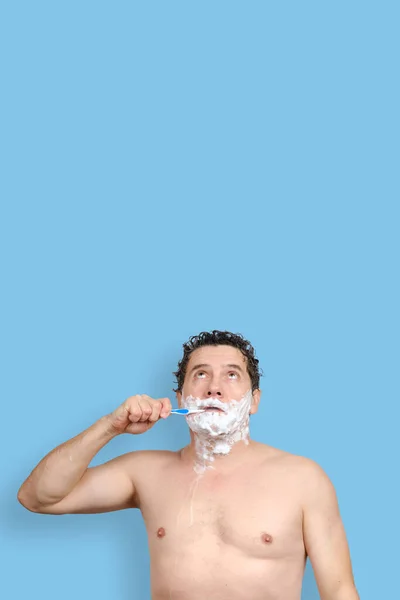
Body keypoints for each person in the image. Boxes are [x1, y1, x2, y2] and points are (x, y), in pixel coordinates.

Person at [18, 330, 359, 600]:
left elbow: (340, 592)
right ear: (181, 399)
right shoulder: (146, 473)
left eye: (231, 375)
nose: (214, 388)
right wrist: (111, 426)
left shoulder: (303, 480)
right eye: (200, 374)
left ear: (253, 401)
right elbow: (38, 497)